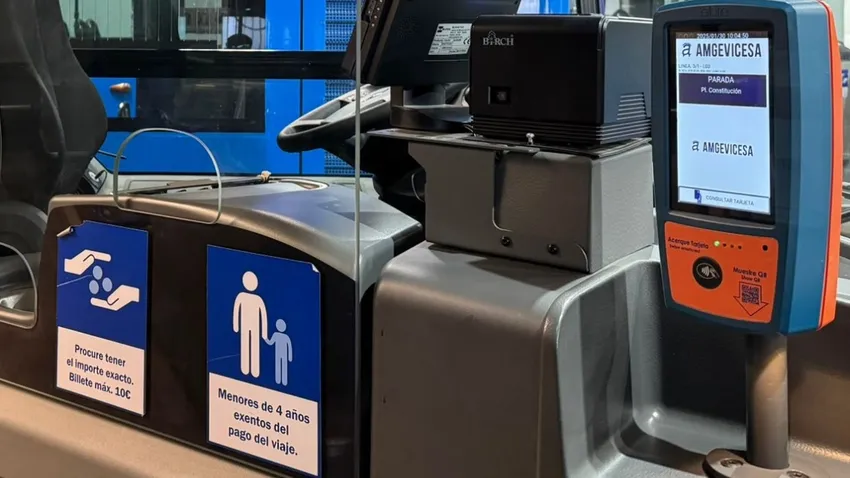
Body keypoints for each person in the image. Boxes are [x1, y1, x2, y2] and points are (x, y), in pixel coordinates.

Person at [233, 271, 268, 378]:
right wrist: (236, 326)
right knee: (245, 344)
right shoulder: (241, 296)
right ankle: (244, 367)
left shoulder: (258, 299)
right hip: (245, 325)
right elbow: (236, 311)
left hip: (255, 326)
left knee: (254, 345)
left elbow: (263, 316)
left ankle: (255, 370)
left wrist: (264, 332)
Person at [266, 319, 294, 386]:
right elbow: (270, 342)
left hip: (283, 354)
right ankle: (278, 380)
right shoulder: (276, 335)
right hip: (278, 353)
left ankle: (284, 381)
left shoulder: (285, 337)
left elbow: (289, 347)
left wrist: (290, 357)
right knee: (278, 365)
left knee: (283, 366)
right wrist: (265, 339)